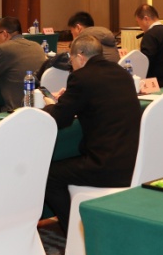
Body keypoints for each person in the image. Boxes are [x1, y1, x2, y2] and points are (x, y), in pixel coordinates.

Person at [40, 34, 142, 234]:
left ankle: (76, 233)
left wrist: (50, 105)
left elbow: (60, 119)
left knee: (48, 175)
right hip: (135, 162)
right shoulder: (122, 73)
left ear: (80, 57)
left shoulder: (82, 77)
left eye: (71, 61)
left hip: (106, 166)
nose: (71, 66)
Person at [0, 17, 49, 111]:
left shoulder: (3, 49)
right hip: (40, 109)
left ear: (4, 34)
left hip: (15, 110)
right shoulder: (37, 46)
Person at [134, 4, 163, 86]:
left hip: (155, 84)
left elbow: (145, 62)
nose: (140, 27)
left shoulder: (150, 35)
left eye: (139, 23)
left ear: (146, 19)